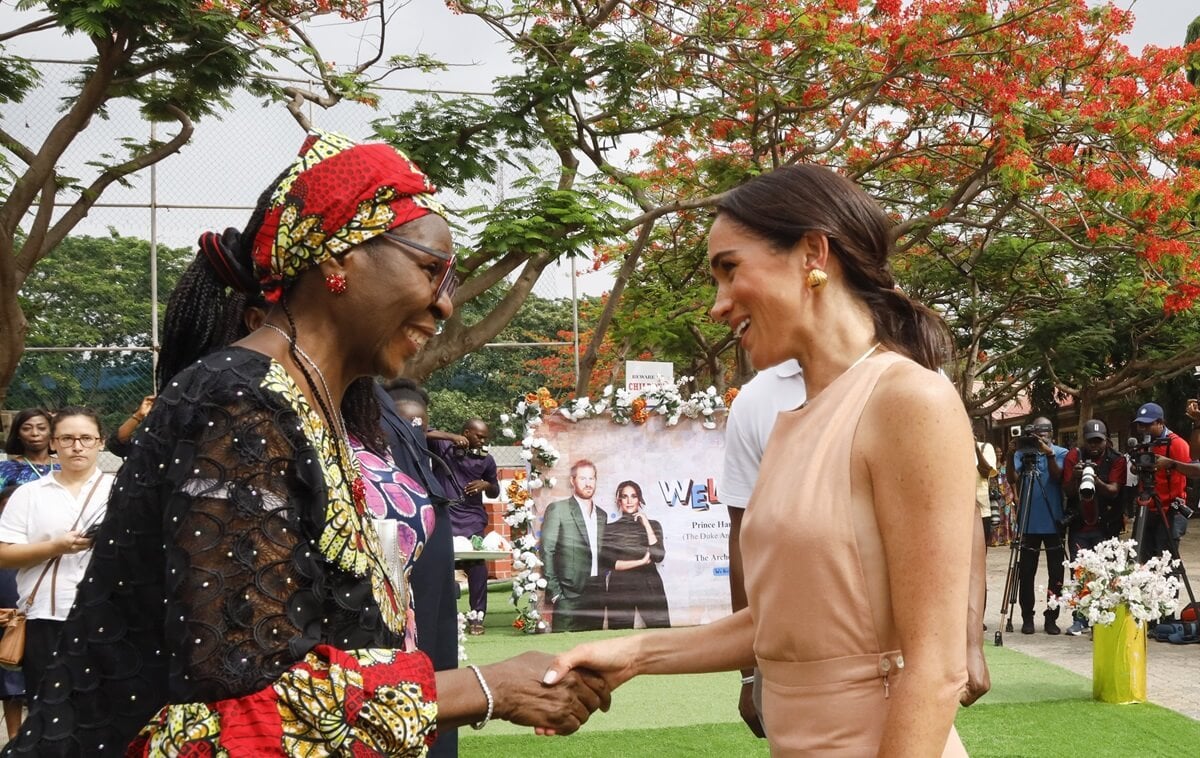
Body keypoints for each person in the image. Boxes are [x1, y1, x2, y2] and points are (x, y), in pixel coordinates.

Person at [1, 131, 608, 756]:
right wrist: (488, 686)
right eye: (431, 268)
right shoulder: (236, 400)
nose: (447, 303)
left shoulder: (307, 406)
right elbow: (251, 699)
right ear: (335, 258)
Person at [545, 164, 975, 755]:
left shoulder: (909, 400)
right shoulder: (790, 417)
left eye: (730, 270)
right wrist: (634, 653)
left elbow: (939, 664)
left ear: (813, 254)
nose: (718, 306)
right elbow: (775, 625)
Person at [0, 407, 113, 705]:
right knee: (49, 713)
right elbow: (3, 555)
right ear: (53, 443)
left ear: (101, 442)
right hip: (46, 618)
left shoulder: (121, 492)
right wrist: (54, 548)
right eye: (67, 438)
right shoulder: (29, 494)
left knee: (104, 713)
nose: (77, 446)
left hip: (111, 617)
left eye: (86, 438)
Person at [377, 380, 461, 758]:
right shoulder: (395, 494)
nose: (413, 432)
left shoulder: (430, 499)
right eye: (404, 424)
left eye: (420, 426)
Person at [429, 419, 500, 635]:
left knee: (478, 566)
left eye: (485, 437)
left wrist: (486, 485)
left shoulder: (486, 460)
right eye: (479, 436)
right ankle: (437, 616)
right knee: (439, 565)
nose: (482, 441)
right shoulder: (444, 447)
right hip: (445, 517)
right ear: (466, 432)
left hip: (472, 519)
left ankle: (477, 616)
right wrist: (451, 437)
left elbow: (495, 491)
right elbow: (422, 432)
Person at [1061, 419, 1126, 636]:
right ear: (1084, 440)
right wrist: (1077, 476)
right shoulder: (1074, 456)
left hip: (1106, 526)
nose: (1094, 446)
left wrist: (1094, 478)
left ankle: (1103, 619)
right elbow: (1068, 491)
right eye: (1090, 441)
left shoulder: (1116, 460)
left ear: (1106, 440)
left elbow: (1114, 490)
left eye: (1098, 441)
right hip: (1080, 526)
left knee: (1105, 574)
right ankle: (1079, 619)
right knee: (1079, 574)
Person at [1006, 416, 1068, 635]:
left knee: (1056, 573)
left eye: (1044, 434)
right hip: (1028, 521)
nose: (1040, 439)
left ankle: (1052, 617)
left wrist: (1048, 453)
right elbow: (1012, 477)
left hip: (1053, 521)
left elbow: (1058, 477)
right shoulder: (1024, 453)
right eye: (1036, 435)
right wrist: (1011, 453)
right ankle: (1027, 617)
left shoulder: (1060, 453)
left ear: (1051, 433)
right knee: (1026, 572)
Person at [541, 459, 607, 631]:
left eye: (591, 479)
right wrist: (555, 593)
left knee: (595, 650)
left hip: (597, 594)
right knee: (563, 649)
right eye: (583, 479)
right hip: (567, 595)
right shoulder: (558, 509)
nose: (588, 484)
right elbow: (547, 551)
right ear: (572, 481)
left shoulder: (602, 515)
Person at [600, 481, 670, 630]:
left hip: (650, 585)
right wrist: (641, 561)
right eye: (625, 497)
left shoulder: (653, 525)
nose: (629, 501)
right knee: (619, 638)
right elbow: (611, 563)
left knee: (660, 633)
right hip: (620, 587)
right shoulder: (609, 529)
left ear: (639, 499)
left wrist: (645, 523)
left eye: (634, 496)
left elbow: (658, 556)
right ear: (619, 501)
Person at [1131, 401, 1191, 562]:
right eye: (1140, 425)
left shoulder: (1176, 443)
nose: (1143, 429)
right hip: (1147, 507)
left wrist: (1171, 463)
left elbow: (1193, 470)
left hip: (1170, 510)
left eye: (1147, 424)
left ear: (1160, 423)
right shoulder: (1144, 445)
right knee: (1144, 560)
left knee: (1166, 562)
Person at [0, 408, 56, 488]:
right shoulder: (4, 469)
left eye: (42, 428)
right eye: (26, 429)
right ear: (18, 434)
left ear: (51, 432)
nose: (35, 433)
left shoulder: (66, 466)